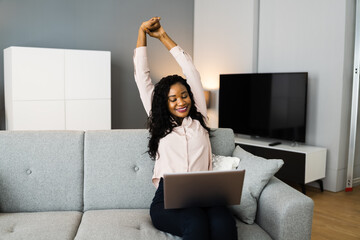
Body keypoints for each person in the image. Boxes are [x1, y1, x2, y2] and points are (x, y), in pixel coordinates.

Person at [133, 17, 238, 240]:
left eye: (184, 95)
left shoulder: (200, 119)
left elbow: (190, 70)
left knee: (224, 224)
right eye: (173, 99)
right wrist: (143, 32)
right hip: (167, 200)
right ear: (164, 103)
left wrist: (162, 36)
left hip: (206, 196)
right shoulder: (160, 122)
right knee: (196, 223)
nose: (181, 102)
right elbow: (142, 77)